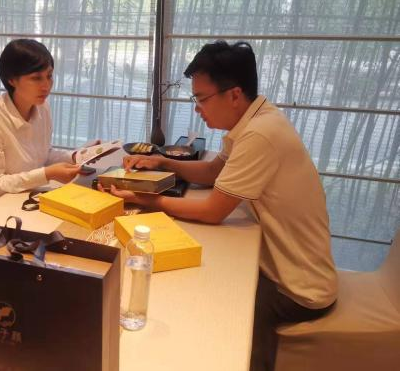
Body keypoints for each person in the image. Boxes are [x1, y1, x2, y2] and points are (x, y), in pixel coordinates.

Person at [104, 41, 338, 371]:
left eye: (202, 99)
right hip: (284, 266)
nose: (197, 109)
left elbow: (213, 212)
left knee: (226, 320)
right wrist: (162, 162)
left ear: (234, 95)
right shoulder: (256, 120)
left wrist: (146, 199)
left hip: (297, 287)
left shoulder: (259, 135)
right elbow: (214, 172)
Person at [0, 39, 82, 218]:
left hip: (25, 203)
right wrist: (47, 174)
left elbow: (42, 154)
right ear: (12, 80)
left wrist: (77, 156)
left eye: (49, 76)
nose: (46, 86)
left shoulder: (41, 107)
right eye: (36, 78)